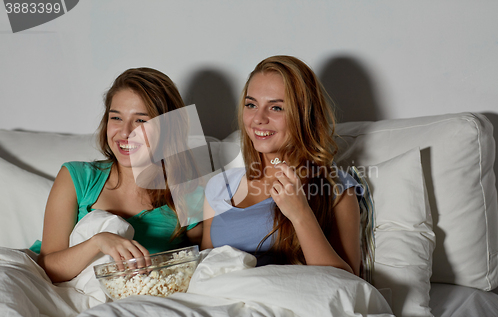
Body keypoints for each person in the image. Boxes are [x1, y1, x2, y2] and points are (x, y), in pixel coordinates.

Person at [36, 68, 202, 283]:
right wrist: (97, 242)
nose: (125, 132)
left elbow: (206, 267)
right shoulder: (77, 177)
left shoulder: (190, 194)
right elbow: (47, 268)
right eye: (116, 118)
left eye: (140, 121)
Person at [201, 56, 361, 274]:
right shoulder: (219, 186)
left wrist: (300, 214)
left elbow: (349, 283)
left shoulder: (334, 187)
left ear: (304, 115)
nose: (258, 118)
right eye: (251, 105)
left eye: (276, 108)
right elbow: (204, 271)